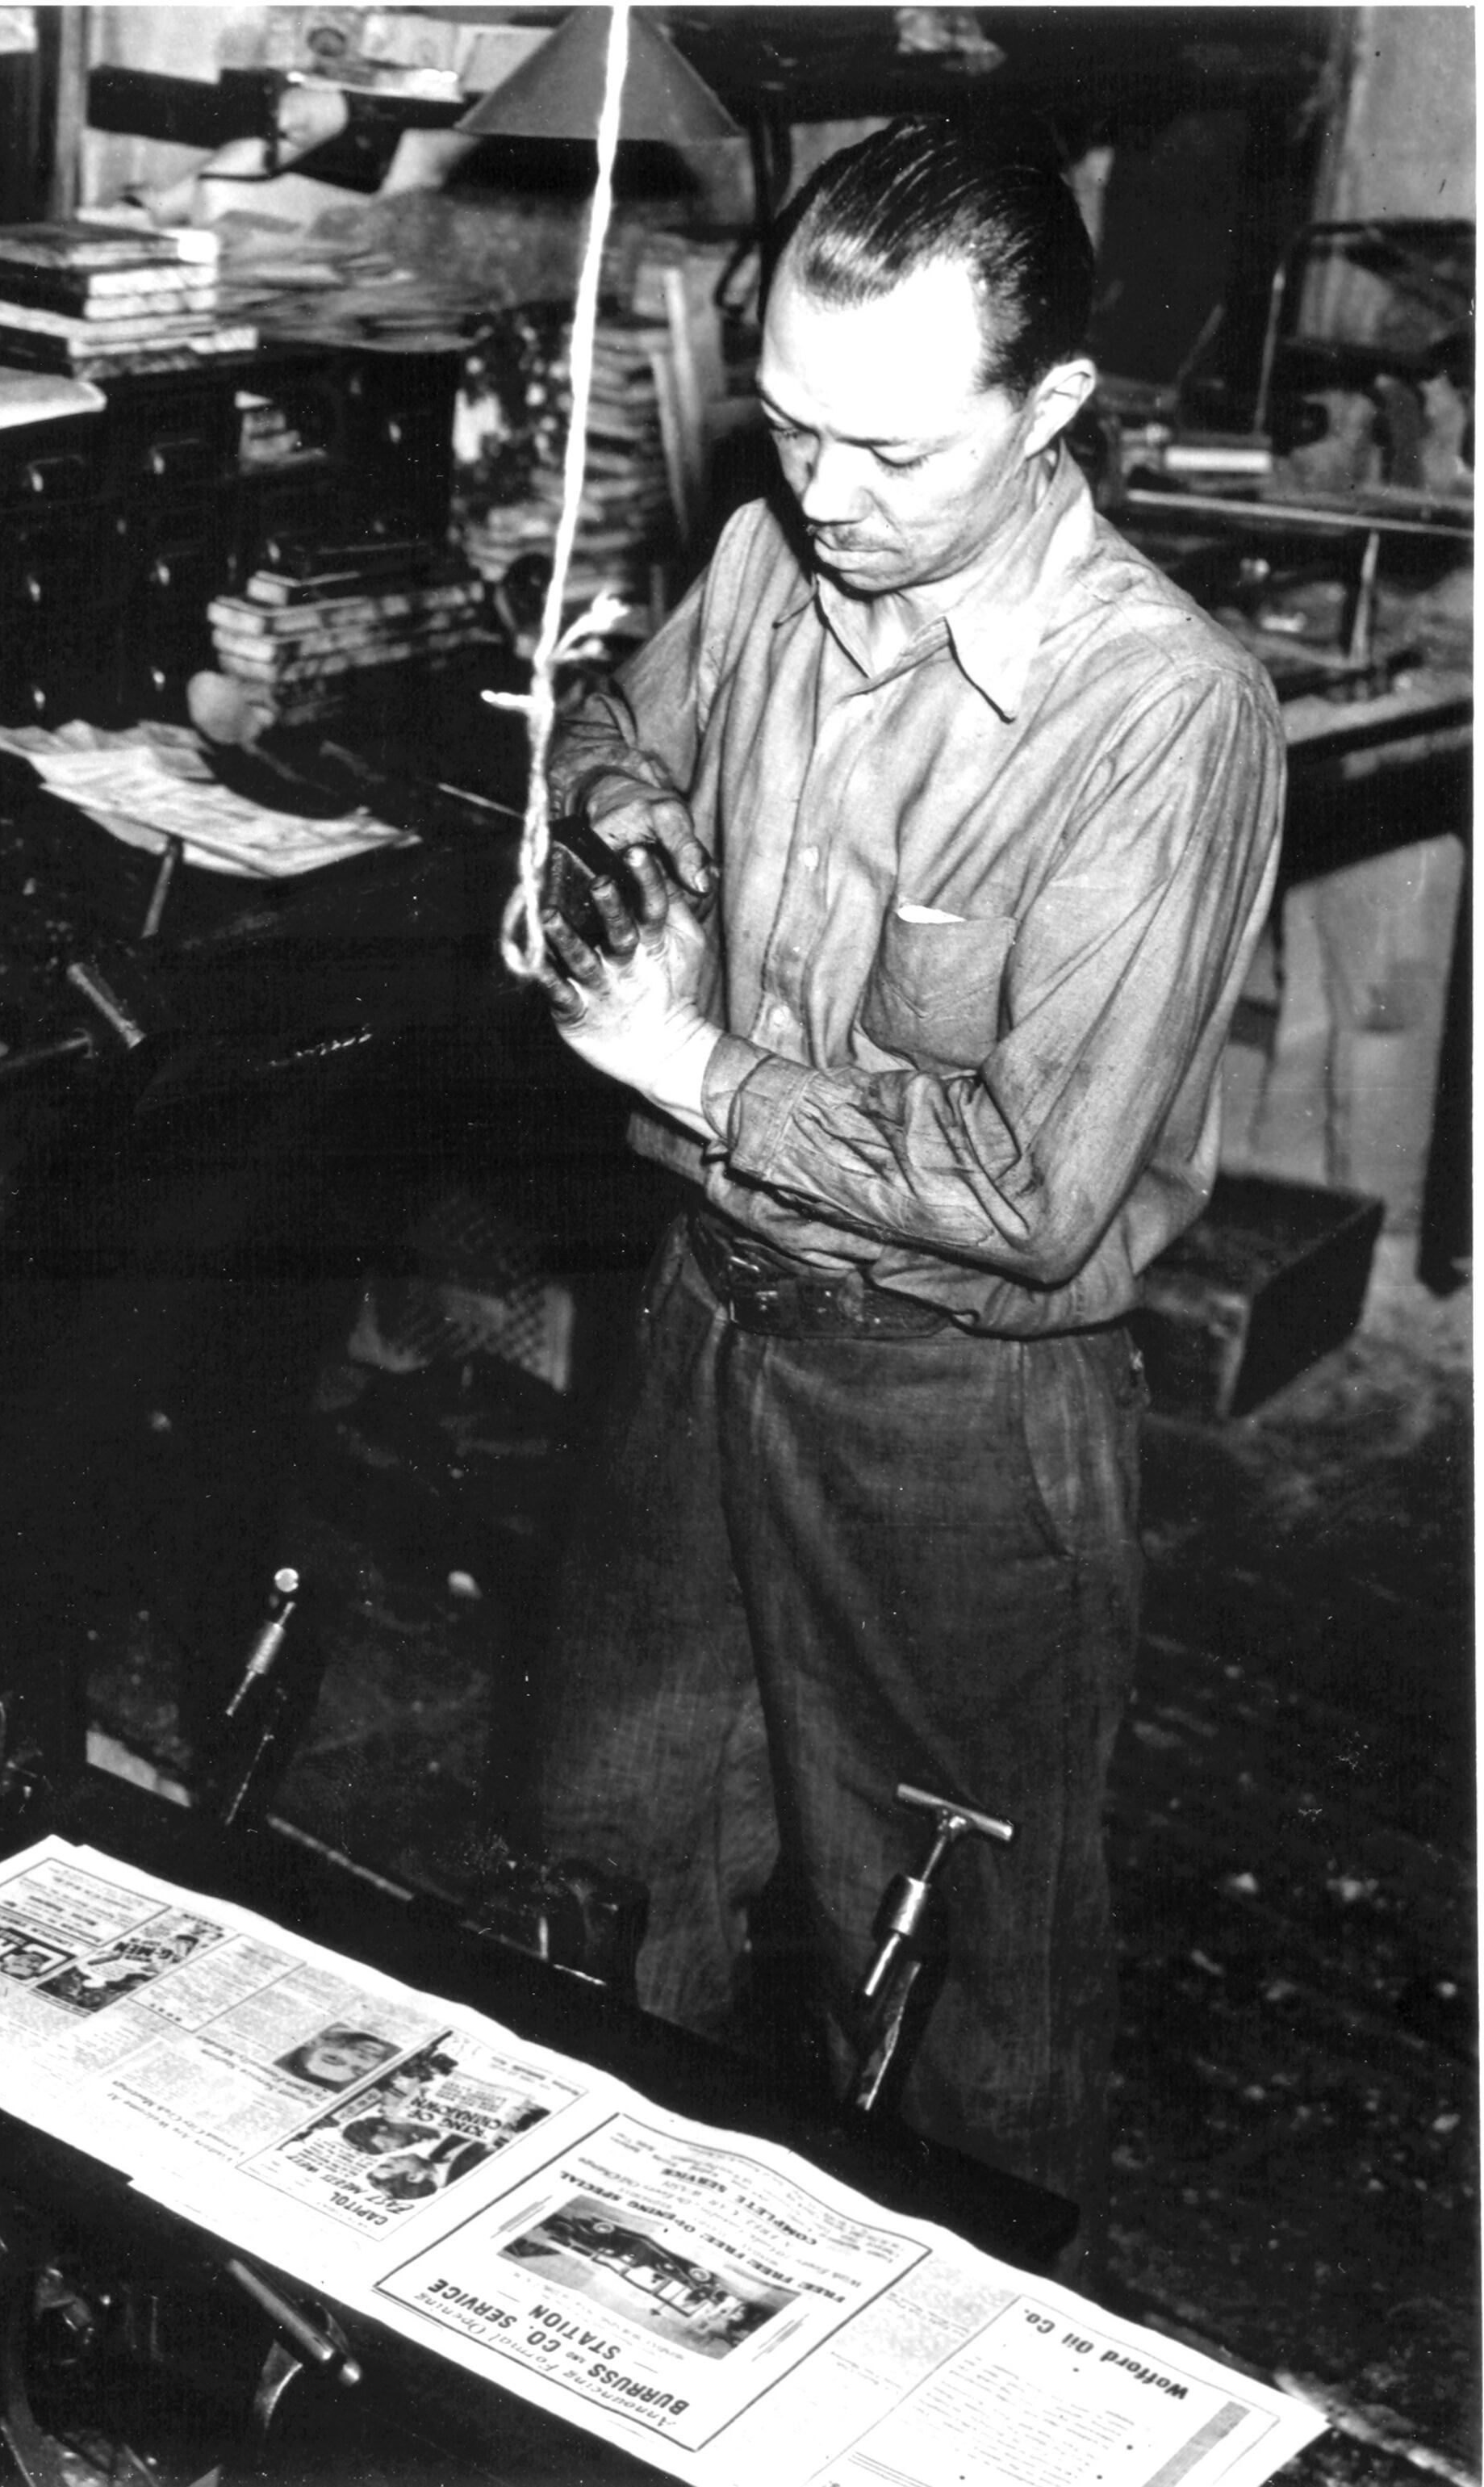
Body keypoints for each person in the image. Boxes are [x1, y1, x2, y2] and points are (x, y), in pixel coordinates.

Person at [525, 115, 1284, 2240]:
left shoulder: (1163, 719)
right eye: (784, 428)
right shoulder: (779, 552)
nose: (822, 497)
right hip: (704, 1329)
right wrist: (627, 815)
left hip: (963, 1411)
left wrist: (693, 1058)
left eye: (887, 452)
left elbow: (1043, 1187)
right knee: (610, 1858)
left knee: (956, 1981)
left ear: (1051, 415)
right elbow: (617, 715)